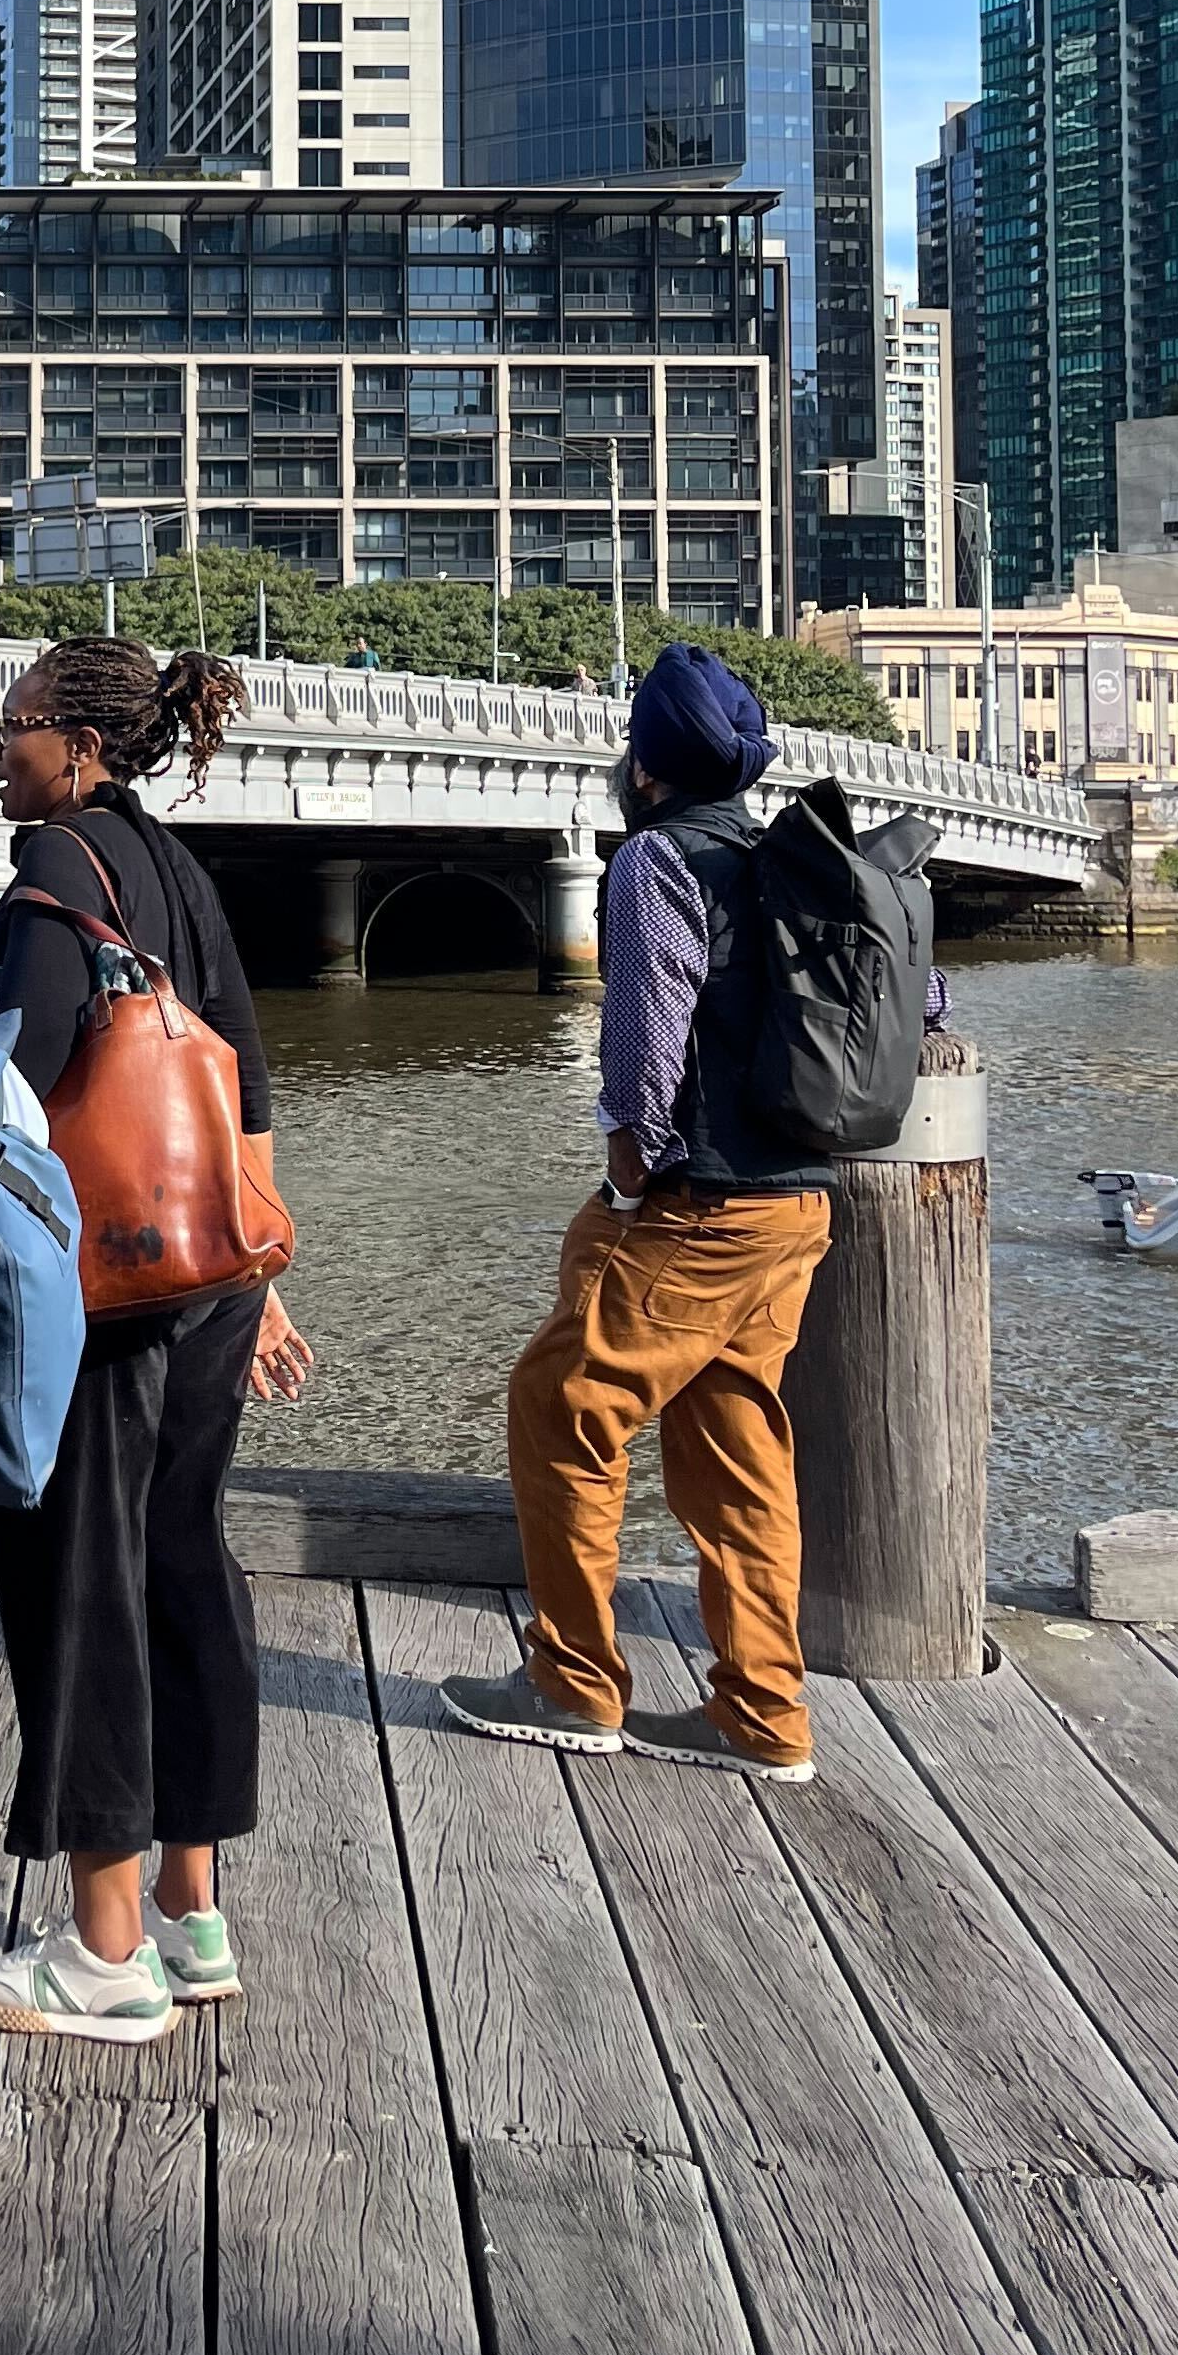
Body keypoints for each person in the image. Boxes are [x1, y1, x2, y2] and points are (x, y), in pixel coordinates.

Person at [0, 639, 312, 2046]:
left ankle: (102, 1952)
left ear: (79, 748)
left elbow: (3, 1094)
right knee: (180, 1561)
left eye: (16, 725)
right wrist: (261, 1261)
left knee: (79, 1585)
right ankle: (189, 1906)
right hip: (211, 1275)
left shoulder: (53, 884)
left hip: (103, 1301)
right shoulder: (176, 869)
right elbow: (244, 1070)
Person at [441, 643, 834, 1781]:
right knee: (739, 1447)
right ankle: (762, 1716)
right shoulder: (788, 862)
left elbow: (644, 1045)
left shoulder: (659, 860)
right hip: (798, 1206)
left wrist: (623, 1182)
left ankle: (573, 1686)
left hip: (697, 1206)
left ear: (648, 769)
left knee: (559, 1406)